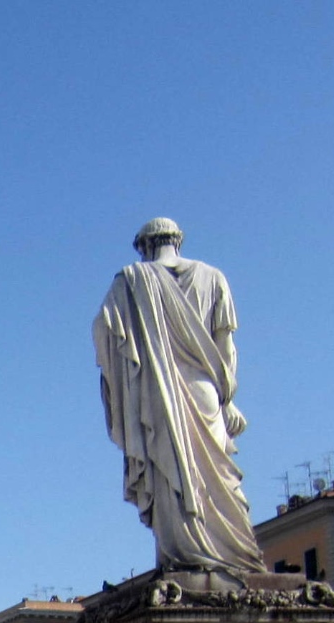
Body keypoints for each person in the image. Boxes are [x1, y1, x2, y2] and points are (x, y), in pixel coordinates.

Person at [94, 218, 265, 577]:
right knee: (218, 472)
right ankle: (231, 551)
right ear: (179, 241)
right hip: (204, 389)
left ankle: (184, 553)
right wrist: (227, 398)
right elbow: (226, 347)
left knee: (169, 471)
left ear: (142, 246)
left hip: (156, 391)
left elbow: (105, 333)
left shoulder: (131, 281)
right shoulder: (213, 277)